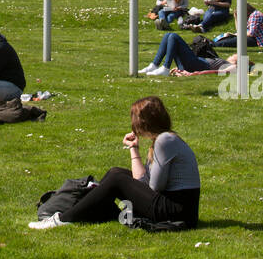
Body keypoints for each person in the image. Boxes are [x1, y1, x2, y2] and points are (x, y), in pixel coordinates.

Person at [29, 96, 199, 229]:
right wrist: (134, 149)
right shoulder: (164, 139)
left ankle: (63, 219)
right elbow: (142, 180)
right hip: (175, 208)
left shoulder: (164, 141)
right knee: (115, 172)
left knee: (117, 178)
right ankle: (85, 212)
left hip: (176, 212)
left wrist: (130, 186)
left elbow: (154, 187)